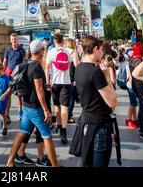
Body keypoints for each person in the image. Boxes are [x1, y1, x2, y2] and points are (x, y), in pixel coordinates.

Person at [7, 40, 59, 167]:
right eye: (43, 50)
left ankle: (10, 162)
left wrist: (43, 84)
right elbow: (39, 91)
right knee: (47, 136)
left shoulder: (26, 64)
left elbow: (32, 85)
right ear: (40, 51)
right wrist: (46, 110)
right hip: (36, 108)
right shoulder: (37, 67)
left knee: (22, 132)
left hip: (26, 105)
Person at [69, 35, 117, 167]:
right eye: (101, 50)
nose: (102, 53)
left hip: (86, 123)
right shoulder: (95, 72)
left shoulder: (79, 68)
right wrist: (107, 76)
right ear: (95, 49)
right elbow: (112, 102)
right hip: (98, 127)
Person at [45, 33, 72, 143]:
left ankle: (60, 126)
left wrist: (48, 82)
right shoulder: (67, 51)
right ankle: (64, 131)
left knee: (57, 107)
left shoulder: (51, 52)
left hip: (55, 83)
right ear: (62, 40)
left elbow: (47, 68)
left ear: (54, 41)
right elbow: (69, 68)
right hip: (66, 82)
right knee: (65, 107)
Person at [3, 33, 26, 123]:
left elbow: (24, 62)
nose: (14, 41)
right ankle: (7, 115)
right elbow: (5, 61)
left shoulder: (21, 50)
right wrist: (3, 73)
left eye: (15, 39)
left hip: (18, 75)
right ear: (10, 40)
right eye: (12, 39)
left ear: (17, 40)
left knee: (18, 95)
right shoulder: (8, 50)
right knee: (8, 95)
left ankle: (20, 112)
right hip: (9, 74)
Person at [65, 38, 79, 124]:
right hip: (72, 76)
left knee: (65, 98)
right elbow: (76, 65)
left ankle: (64, 115)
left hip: (64, 76)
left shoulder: (63, 51)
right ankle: (68, 116)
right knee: (71, 98)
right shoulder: (73, 52)